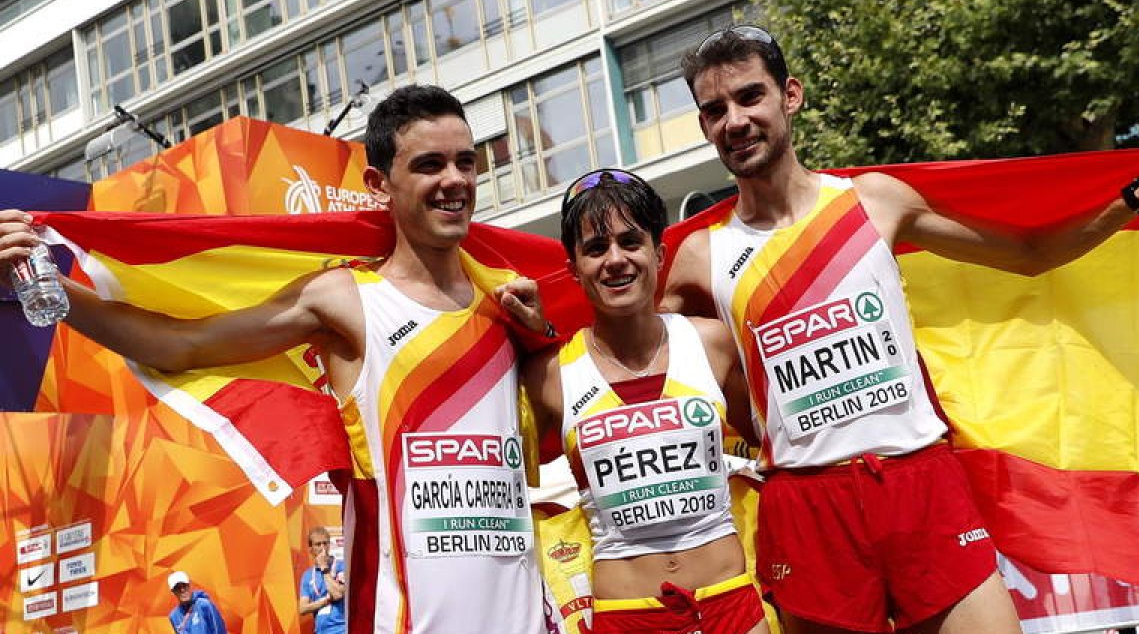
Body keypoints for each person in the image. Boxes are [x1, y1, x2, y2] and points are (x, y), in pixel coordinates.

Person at [661, 24, 1139, 634]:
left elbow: (1027, 252)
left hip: (920, 483)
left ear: (791, 95)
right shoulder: (700, 258)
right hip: (808, 505)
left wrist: (1136, 199)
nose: (734, 120)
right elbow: (637, 353)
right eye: (714, 110)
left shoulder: (873, 201)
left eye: (749, 97)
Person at [0, 85, 553, 633]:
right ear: (379, 186)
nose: (454, 181)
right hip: (398, 619)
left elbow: (565, 421)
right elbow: (179, 344)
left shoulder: (511, 298)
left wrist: (543, 337)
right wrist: (49, 292)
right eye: (430, 165)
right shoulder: (346, 300)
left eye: (465, 162)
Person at [522, 168, 768, 634]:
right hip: (626, 614)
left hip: (730, 603)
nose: (615, 259)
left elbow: (772, 442)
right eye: (596, 248)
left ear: (658, 253)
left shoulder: (711, 343)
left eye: (630, 242)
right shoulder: (548, 376)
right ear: (574, 269)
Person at [299, 527, 346, 633]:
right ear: (311, 549)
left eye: (325, 543)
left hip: (341, 629)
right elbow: (302, 608)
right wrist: (324, 602)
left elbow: (337, 594)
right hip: (321, 631)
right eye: (318, 544)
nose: (323, 548)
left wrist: (324, 568)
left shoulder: (341, 566)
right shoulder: (307, 575)